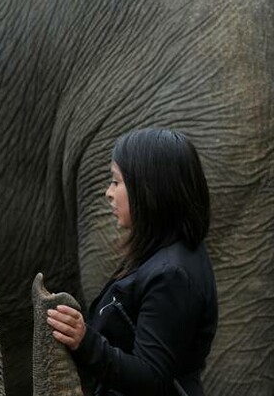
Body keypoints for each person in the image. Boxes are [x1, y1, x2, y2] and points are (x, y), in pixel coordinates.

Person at [46, 128, 218, 396]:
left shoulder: (172, 274)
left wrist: (85, 341)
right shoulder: (163, 256)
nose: (108, 193)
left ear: (150, 188)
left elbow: (151, 377)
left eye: (116, 182)